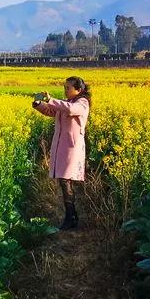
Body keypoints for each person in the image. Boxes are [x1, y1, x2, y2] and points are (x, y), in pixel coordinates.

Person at [32, 76, 92, 230]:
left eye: (68, 88)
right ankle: (72, 216)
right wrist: (38, 103)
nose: (65, 91)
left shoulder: (82, 103)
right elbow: (51, 111)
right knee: (64, 180)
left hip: (72, 147)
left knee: (66, 180)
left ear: (78, 90)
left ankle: (70, 217)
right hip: (61, 146)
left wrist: (51, 99)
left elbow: (70, 110)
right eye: (64, 88)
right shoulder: (68, 103)